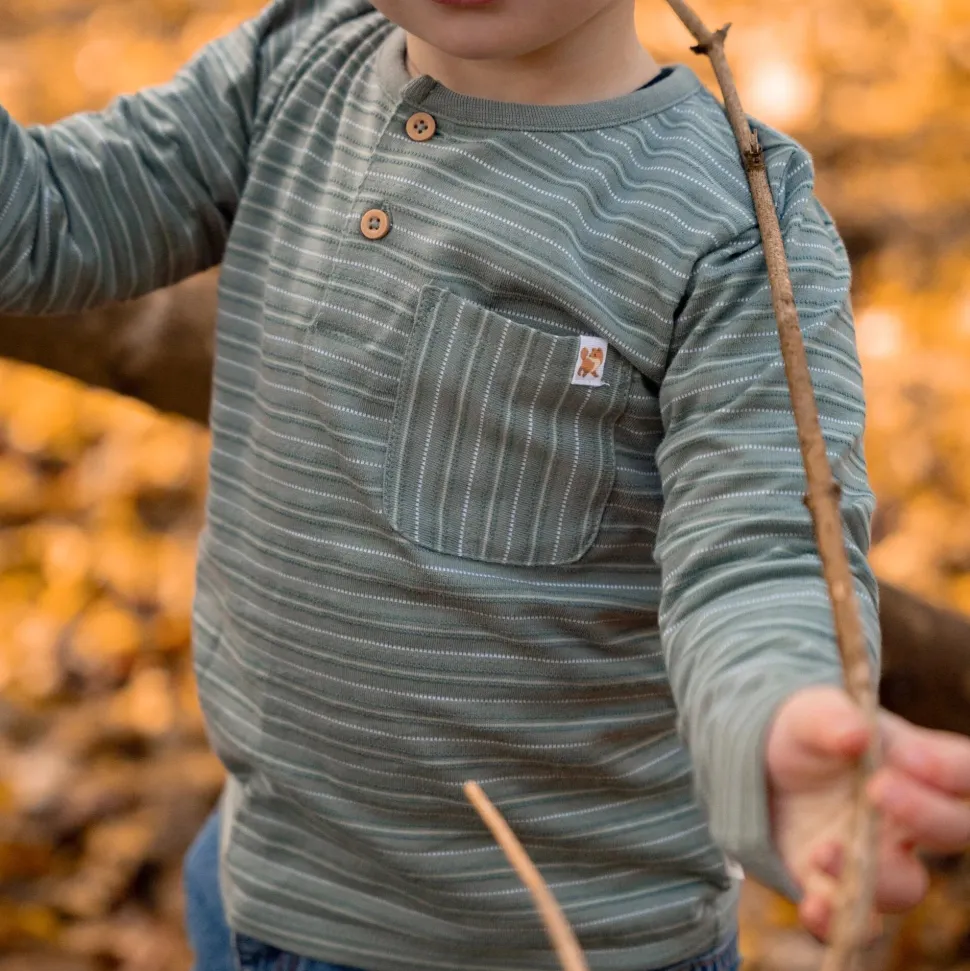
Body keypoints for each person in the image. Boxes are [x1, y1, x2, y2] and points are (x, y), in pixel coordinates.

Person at [2, 2, 969, 970]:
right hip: (261, 876)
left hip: (548, 937)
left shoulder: (730, 220)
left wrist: (775, 716)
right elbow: (42, 220)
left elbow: (753, 545)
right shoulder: (294, 64)